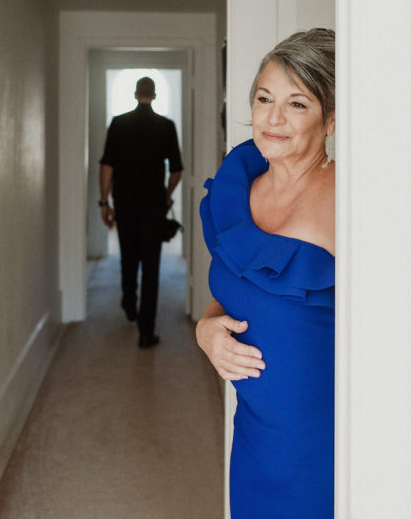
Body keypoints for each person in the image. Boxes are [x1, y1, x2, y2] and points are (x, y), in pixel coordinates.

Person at [196, 28, 335, 517]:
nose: (273, 119)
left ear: (331, 118)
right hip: (255, 436)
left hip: (324, 445)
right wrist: (206, 328)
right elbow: (232, 293)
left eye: (297, 104)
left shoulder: (353, 199)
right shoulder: (239, 184)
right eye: (263, 98)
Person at [99, 76, 184, 349]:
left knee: (128, 256)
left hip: (124, 203)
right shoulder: (166, 126)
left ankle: (128, 301)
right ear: (154, 95)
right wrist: (167, 196)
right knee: (151, 266)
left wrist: (104, 202)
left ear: (136, 95)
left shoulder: (119, 124)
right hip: (153, 207)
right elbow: (177, 170)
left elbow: (107, 166)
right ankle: (146, 331)